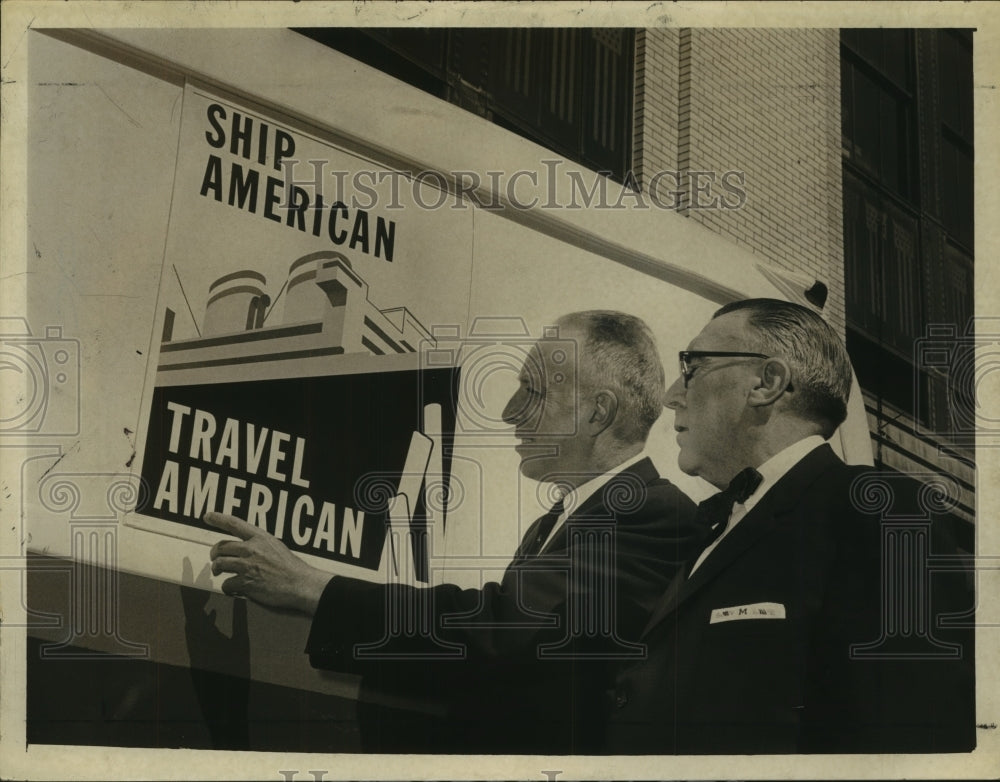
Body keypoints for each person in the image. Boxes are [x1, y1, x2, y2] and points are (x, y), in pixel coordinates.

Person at [205, 310, 701, 753]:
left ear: (598, 412)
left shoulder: (653, 514)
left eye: (533, 391)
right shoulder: (562, 521)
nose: (510, 411)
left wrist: (310, 587)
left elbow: (502, 631)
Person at [606, 298, 975, 754]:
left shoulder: (882, 517)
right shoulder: (714, 526)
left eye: (694, 366)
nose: (671, 395)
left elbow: (905, 739)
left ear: (768, 382)